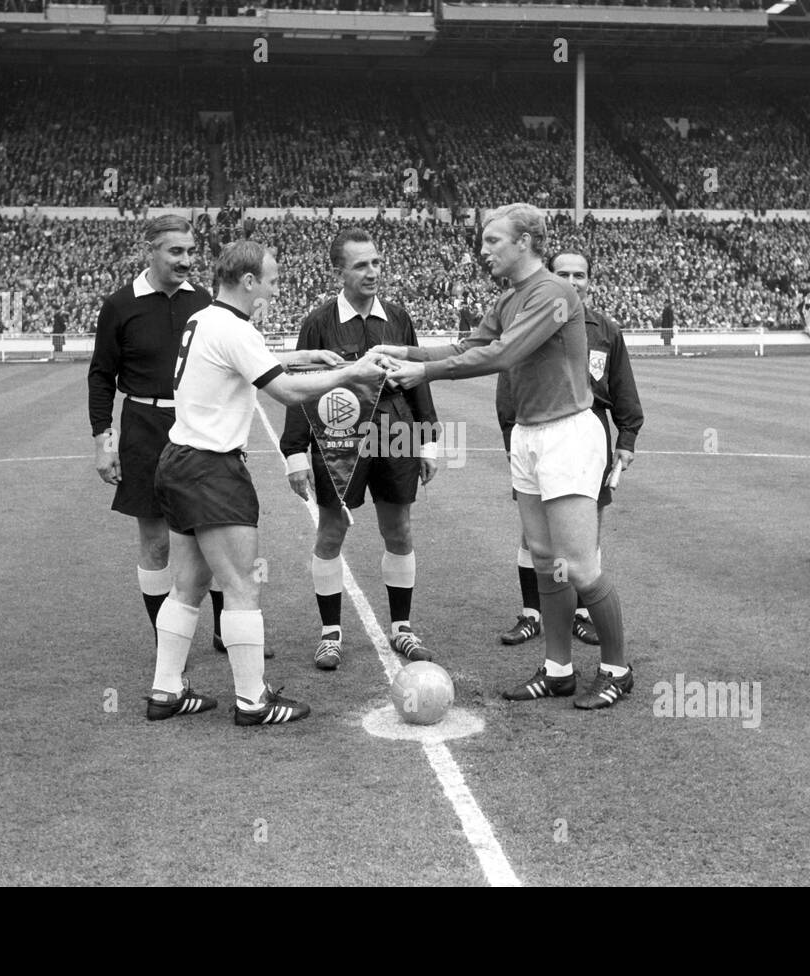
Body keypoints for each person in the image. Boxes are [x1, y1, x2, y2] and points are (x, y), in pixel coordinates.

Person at [373, 204, 635, 710]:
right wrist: (399, 352)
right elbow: (468, 344)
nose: (483, 249)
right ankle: (558, 670)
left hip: (567, 434)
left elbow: (502, 354)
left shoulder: (553, 294)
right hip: (528, 435)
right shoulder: (509, 298)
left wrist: (424, 374)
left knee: (579, 565)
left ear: (526, 242)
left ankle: (617, 668)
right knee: (544, 559)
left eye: (493, 240)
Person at [149, 239, 386, 725]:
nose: (277, 291)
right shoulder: (234, 328)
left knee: (188, 585)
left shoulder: (205, 318)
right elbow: (284, 391)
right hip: (212, 470)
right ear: (249, 281)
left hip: (177, 461)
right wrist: (351, 373)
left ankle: (166, 691)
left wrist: (311, 356)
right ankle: (253, 701)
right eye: (273, 281)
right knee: (241, 587)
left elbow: (259, 362)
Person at [279, 227, 439, 671]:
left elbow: (417, 375)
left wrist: (427, 442)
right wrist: (295, 453)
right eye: (361, 265)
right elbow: (300, 384)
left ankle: (402, 627)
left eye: (376, 263)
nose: (373, 272)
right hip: (338, 431)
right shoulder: (318, 322)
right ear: (339, 272)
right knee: (332, 531)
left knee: (399, 529)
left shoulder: (399, 316)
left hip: (395, 430)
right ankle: (330, 634)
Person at [87, 215, 232, 663]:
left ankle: (226, 631)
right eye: (176, 252)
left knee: (214, 532)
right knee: (155, 542)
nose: (187, 260)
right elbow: (101, 376)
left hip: (200, 429)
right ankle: (166, 640)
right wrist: (103, 440)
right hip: (143, 430)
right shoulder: (120, 305)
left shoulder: (204, 302)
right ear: (150, 251)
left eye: (191, 251)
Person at [496, 250, 644, 647]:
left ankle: (582, 615)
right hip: (536, 435)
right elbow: (507, 387)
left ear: (589, 281)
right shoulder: (529, 320)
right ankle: (532, 614)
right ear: (550, 276)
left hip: (585, 438)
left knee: (585, 535)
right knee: (534, 539)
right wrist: (512, 440)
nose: (573, 280)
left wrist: (626, 441)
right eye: (564, 273)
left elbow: (624, 391)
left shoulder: (606, 330)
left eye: (580, 274)